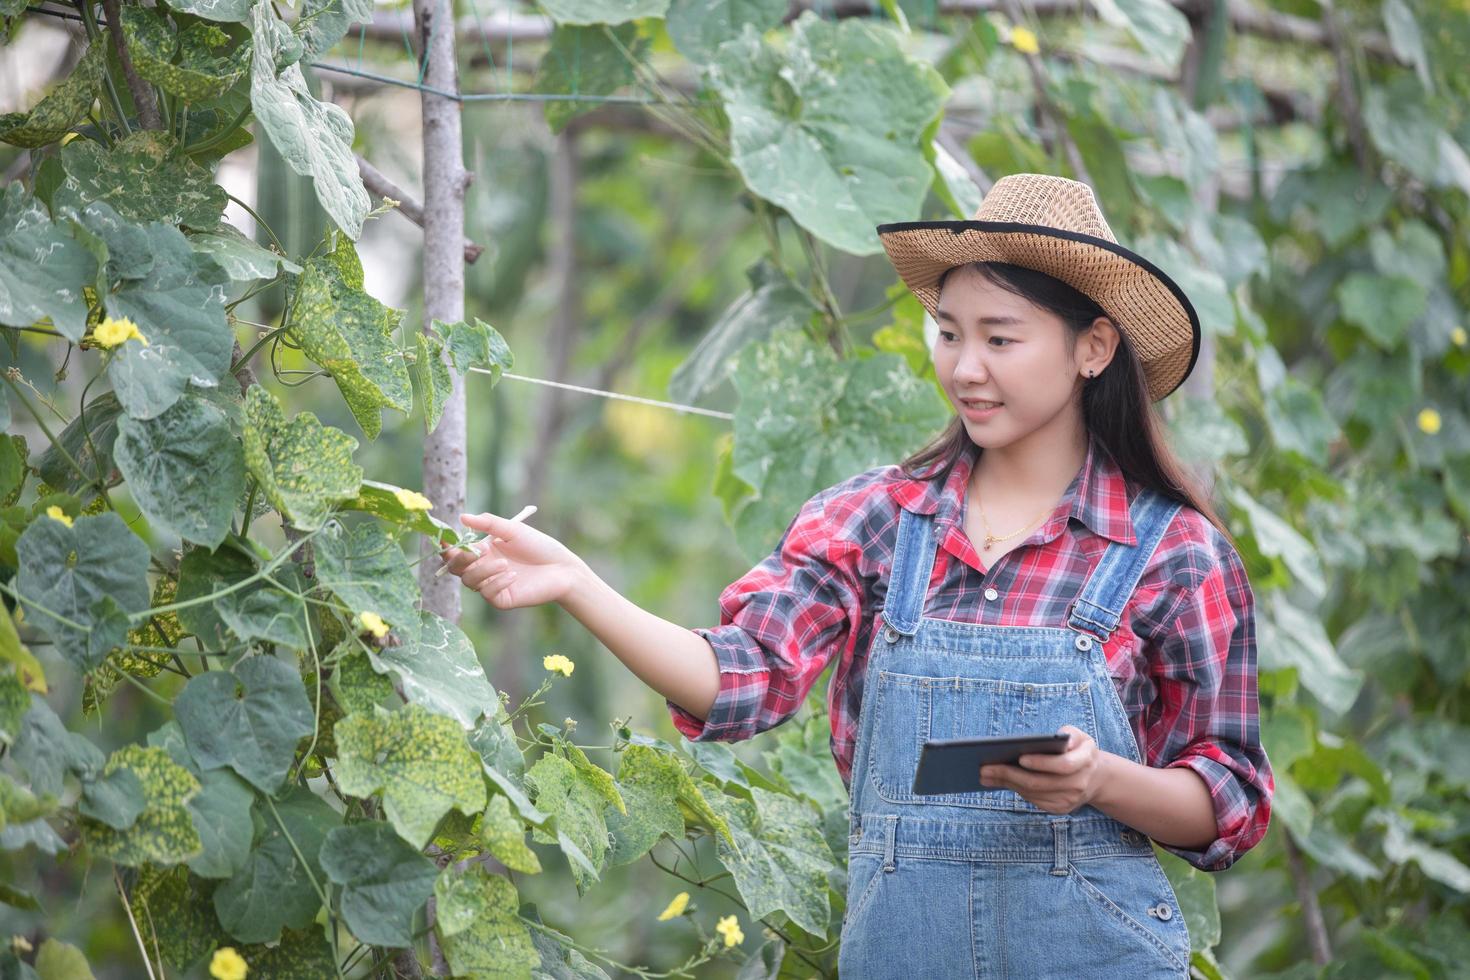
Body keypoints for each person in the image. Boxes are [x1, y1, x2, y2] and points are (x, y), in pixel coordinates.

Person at [439, 173, 1273, 978]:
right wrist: (579, 584)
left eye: (1001, 338)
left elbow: (1229, 800)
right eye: (949, 332)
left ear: (1093, 347)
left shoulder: (1175, 554)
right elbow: (742, 679)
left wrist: (1102, 781)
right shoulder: (873, 522)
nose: (966, 368)